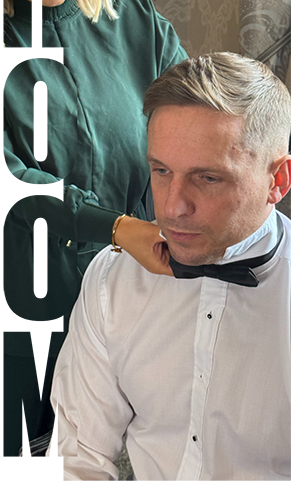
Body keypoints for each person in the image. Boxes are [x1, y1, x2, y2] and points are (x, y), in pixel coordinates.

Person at [3, 0, 187, 480]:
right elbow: (6, 179)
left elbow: (195, 114)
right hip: (22, 325)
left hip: (138, 314)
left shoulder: (129, 19)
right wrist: (114, 227)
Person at [42, 52, 291, 481]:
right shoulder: (113, 277)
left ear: (278, 180)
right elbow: (80, 458)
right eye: (161, 170)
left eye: (208, 178)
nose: (172, 208)